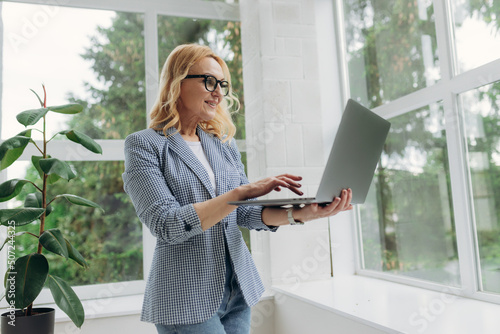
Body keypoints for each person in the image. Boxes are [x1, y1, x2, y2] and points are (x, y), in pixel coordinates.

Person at [122, 43, 353, 334]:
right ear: (177, 82)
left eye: (222, 84)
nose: (219, 93)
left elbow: (243, 215)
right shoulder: (145, 145)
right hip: (187, 299)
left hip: (238, 291)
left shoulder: (223, 145)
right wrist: (238, 194)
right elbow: (166, 224)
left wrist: (304, 213)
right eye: (209, 81)